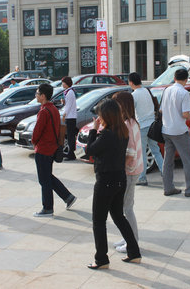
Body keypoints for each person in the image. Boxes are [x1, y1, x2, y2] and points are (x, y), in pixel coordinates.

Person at [85, 99, 142, 270]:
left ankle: (101, 259)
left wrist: (93, 130)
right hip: (119, 179)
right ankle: (134, 252)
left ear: (107, 116)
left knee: (98, 221)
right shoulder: (122, 130)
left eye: (101, 115)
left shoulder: (108, 134)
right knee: (118, 216)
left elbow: (89, 150)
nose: (99, 118)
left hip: (106, 181)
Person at [31, 83, 76, 217]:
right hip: (52, 148)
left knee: (44, 180)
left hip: (43, 149)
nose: (36, 95)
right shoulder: (54, 109)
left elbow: (37, 132)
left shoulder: (44, 111)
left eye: (37, 93)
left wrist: (34, 142)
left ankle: (48, 208)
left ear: (43, 96)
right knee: (47, 177)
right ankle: (68, 197)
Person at [160, 69, 190, 197]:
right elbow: (185, 114)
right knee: (188, 161)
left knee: (167, 161)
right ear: (186, 79)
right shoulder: (184, 93)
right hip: (179, 131)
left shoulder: (166, 90)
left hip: (166, 130)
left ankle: (168, 188)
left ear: (174, 78)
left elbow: (161, 110)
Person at [112, 92, 144, 254]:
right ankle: (128, 238)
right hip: (134, 170)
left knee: (127, 208)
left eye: (116, 104)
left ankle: (133, 242)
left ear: (122, 105)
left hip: (130, 172)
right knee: (126, 207)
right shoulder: (132, 122)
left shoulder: (127, 125)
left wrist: (121, 170)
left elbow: (130, 152)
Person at [128, 72, 163, 186]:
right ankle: (165, 173)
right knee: (156, 150)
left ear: (131, 82)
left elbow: (131, 112)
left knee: (141, 153)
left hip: (142, 127)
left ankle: (142, 178)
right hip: (152, 125)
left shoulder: (134, 95)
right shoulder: (148, 91)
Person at [61, 76, 77, 161]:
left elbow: (69, 106)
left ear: (67, 83)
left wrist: (64, 115)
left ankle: (71, 154)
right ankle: (71, 153)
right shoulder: (68, 92)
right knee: (70, 136)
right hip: (70, 116)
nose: (62, 84)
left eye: (63, 82)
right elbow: (68, 104)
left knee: (71, 136)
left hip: (70, 117)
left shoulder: (70, 92)